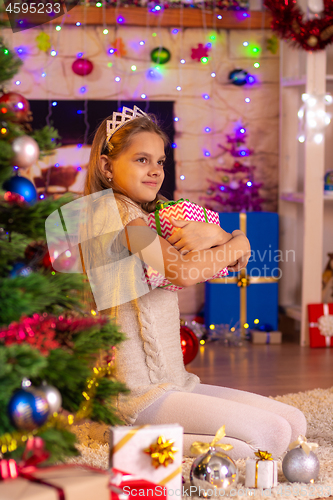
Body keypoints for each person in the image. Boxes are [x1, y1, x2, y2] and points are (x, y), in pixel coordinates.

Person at [81, 106, 306, 459]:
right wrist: (236, 242)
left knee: (293, 423)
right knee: (272, 436)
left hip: (176, 384)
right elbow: (183, 272)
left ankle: (133, 438)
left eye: (160, 161)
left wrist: (225, 235)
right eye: (142, 160)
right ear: (107, 166)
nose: (155, 170)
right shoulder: (117, 220)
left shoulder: (156, 214)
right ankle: (118, 437)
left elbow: (222, 263)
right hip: (137, 397)